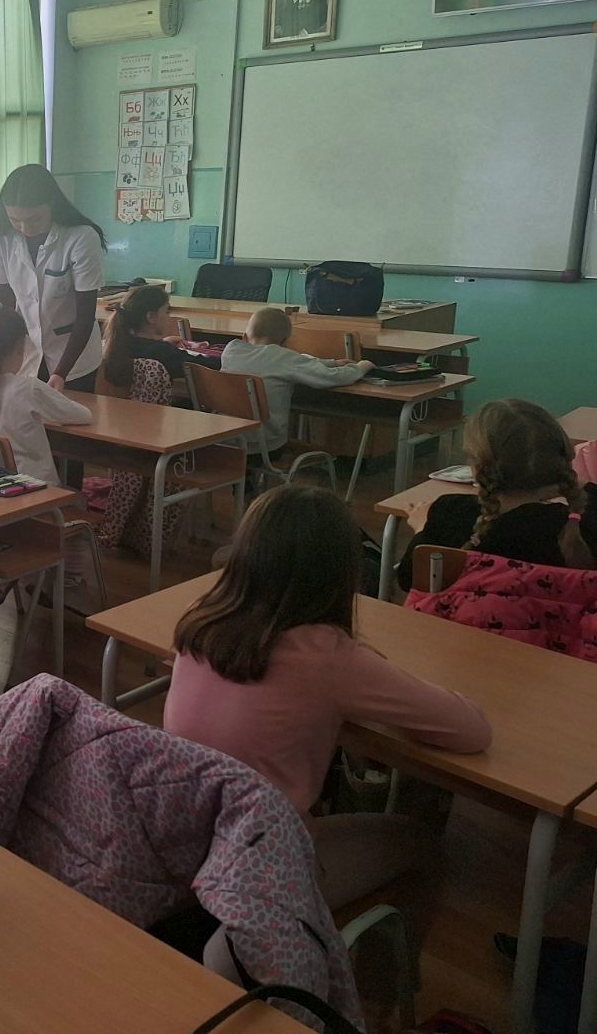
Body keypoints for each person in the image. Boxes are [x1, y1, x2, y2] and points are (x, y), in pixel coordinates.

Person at [164, 485, 491, 923]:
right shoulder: (329, 657)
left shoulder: (201, 617)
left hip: (181, 842)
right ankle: (366, 962)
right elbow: (472, 731)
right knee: (422, 841)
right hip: (264, 874)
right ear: (340, 573)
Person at [398, 399, 597, 591]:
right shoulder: (582, 525)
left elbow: (408, 580)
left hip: (468, 616)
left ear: (477, 465)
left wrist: (422, 529)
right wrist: (564, 480)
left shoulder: (450, 512)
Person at [0, 165, 105, 393]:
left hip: (73, 355)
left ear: (52, 204)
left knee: (70, 413)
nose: (25, 228)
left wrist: (61, 372)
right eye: (15, 220)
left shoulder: (81, 237)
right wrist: (2, 357)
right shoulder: (0, 239)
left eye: (34, 218)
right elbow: (4, 305)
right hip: (25, 352)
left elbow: (85, 315)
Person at [0, 306, 89, 486]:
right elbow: (83, 415)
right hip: (35, 490)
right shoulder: (28, 388)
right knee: (77, 495)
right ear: (20, 349)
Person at [219, 307, 372, 454]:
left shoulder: (231, 350)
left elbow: (291, 360)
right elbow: (334, 377)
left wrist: (331, 362)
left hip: (225, 439)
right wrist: (361, 367)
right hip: (264, 445)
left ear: (244, 337)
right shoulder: (284, 358)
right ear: (285, 342)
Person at [98, 285, 204, 400]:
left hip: (121, 409)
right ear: (151, 317)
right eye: (167, 311)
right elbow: (206, 366)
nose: (169, 316)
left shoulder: (114, 346)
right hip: (156, 411)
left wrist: (163, 342)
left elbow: (146, 348)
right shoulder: (164, 353)